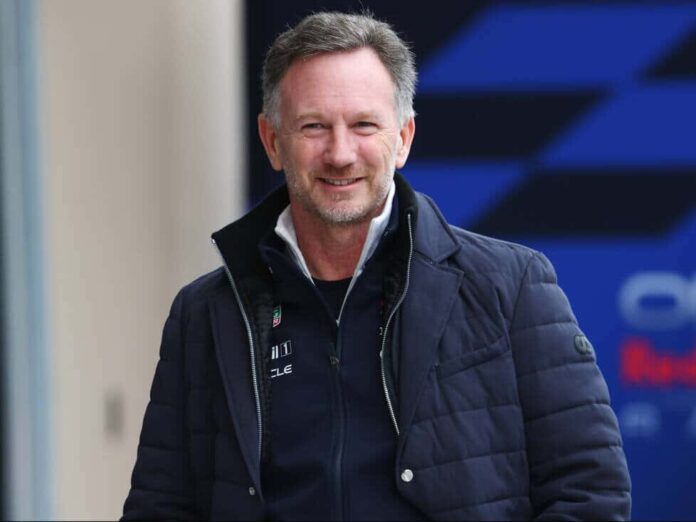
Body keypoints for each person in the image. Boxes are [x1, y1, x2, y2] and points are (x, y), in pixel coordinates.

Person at [122, 11, 631, 521]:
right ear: (272, 141)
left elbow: (589, 493)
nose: (340, 153)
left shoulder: (510, 286)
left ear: (404, 137)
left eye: (364, 125)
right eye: (314, 126)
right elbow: (159, 508)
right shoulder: (204, 314)